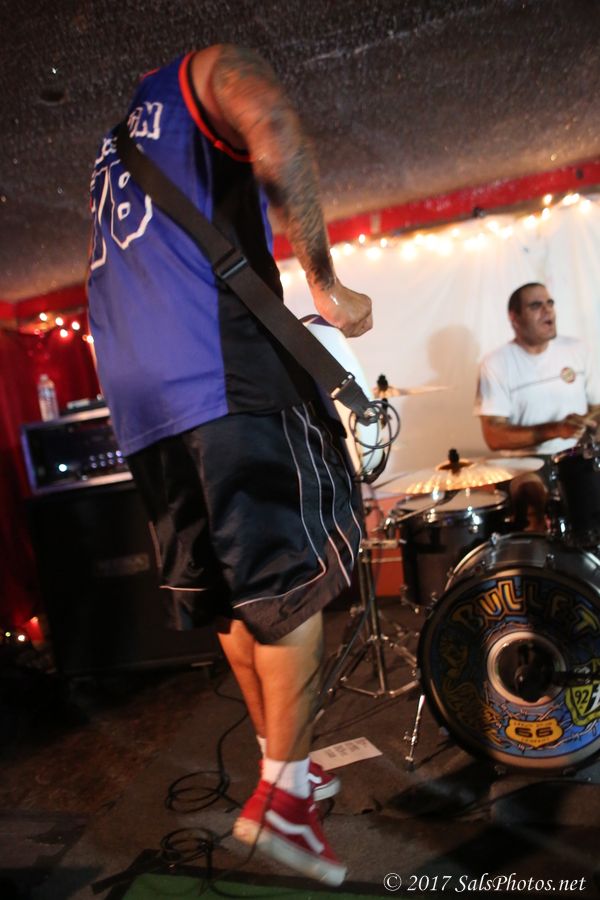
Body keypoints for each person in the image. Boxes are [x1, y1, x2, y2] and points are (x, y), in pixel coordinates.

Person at [87, 44, 372, 885]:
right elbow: (273, 121)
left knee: (233, 595)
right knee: (288, 584)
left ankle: (283, 777)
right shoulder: (206, 70)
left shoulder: (113, 150)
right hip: (222, 375)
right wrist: (325, 281)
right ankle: (283, 805)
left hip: (140, 404)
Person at [475, 282, 600, 530]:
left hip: (577, 455)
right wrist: (555, 429)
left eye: (549, 303)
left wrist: (592, 423)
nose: (547, 310)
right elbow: (494, 436)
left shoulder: (577, 349)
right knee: (531, 496)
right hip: (523, 463)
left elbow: (597, 407)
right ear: (514, 318)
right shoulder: (496, 363)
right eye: (535, 306)